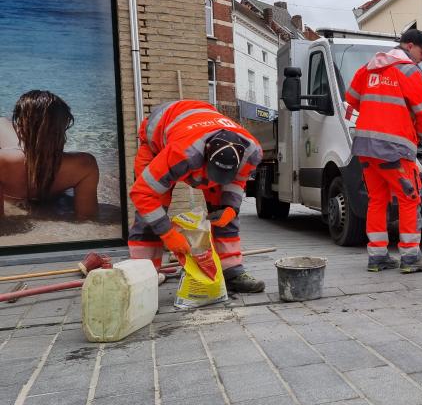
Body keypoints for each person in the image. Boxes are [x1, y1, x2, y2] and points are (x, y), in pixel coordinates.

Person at [128, 100, 264, 293]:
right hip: (156, 144)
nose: (211, 182)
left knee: (222, 213)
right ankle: (143, 278)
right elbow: (142, 193)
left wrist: (231, 209)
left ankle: (232, 272)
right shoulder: (182, 154)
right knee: (148, 214)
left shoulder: (251, 153)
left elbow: (237, 182)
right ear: (205, 157)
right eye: (210, 175)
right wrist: (167, 233)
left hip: (196, 132)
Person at [346, 28, 422, 273]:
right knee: (409, 198)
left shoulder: (368, 69)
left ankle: (377, 256)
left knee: (377, 199)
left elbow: (351, 98)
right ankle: (410, 257)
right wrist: (417, 134)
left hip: (365, 147)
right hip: (395, 148)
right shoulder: (408, 71)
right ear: (409, 46)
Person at [0, 90, 99, 220]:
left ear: (20, 127)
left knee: (2, 123)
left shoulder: (3, 160)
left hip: (16, 156)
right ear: (63, 126)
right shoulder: (84, 166)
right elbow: (88, 218)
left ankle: (29, 135)